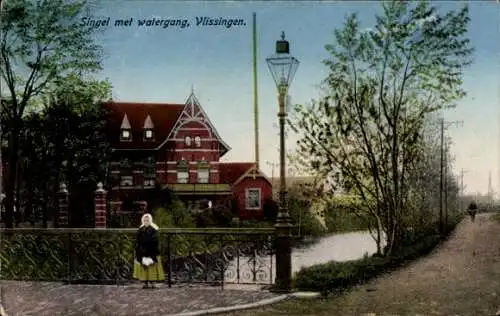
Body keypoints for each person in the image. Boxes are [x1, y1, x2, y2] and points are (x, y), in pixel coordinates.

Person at [133, 213, 165, 288]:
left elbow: (155, 240)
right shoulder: (140, 229)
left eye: (147, 220)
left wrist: (147, 244)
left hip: (152, 251)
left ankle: (153, 282)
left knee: (152, 267)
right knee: (143, 267)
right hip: (142, 251)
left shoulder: (154, 229)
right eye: (144, 220)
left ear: (150, 220)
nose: (146, 221)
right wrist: (140, 249)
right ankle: (144, 282)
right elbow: (138, 240)